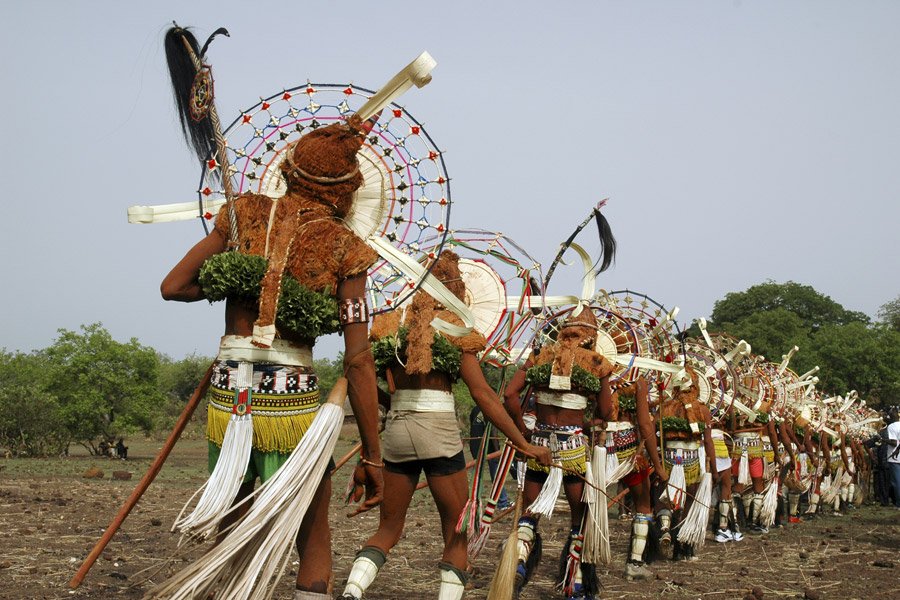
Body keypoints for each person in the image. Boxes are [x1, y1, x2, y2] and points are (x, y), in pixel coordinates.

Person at [159, 108, 384, 598]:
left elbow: (173, 287)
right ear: (346, 193)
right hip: (290, 404)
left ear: (287, 170)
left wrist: (232, 282)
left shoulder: (243, 214)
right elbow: (358, 358)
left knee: (233, 518)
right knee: (312, 530)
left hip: (229, 395)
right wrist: (373, 454)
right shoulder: (347, 247)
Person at [340, 251, 551, 600]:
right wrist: (523, 444)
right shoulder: (454, 328)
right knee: (456, 535)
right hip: (439, 436)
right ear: (455, 288)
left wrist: (395, 406)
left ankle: (351, 590)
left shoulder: (394, 327)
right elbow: (482, 394)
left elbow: (368, 381)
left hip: (396, 436)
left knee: (389, 529)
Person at [503, 307, 613, 600]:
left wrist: (523, 433)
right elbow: (606, 411)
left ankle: (518, 566)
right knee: (579, 518)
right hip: (573, 447)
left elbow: (509, 395)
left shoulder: (540, 356)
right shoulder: (597, 363)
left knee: (529, 514)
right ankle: (575, 585)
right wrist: (589, 416)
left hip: (538, 443)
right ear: (592, 335)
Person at [603, 377, 666, 579]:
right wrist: (657, 465)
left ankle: (579, 568)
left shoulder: (595, 370)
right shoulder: (636, 381)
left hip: (597, 444)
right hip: (626, 448)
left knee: (587, 508)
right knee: (643, 505)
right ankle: (635, 563)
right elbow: (645, 425)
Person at [469, 406, 511, 510]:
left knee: (478, 475)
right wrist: (497, 450)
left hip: (475, 445)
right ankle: (502, 502)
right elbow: (493, 430)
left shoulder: (475, 409)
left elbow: (473, 426)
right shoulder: (491, 408)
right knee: (496, 475)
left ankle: (475, 503)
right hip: (489, 447)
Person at [886, 407, 900, 508]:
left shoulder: (891, 427)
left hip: (894, 458)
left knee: (896, 482)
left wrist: (882, 440)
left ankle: (899, 503)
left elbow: (894, 442)